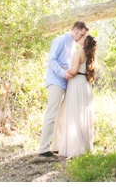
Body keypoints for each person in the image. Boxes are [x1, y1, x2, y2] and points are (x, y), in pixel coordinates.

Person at [37, 21, 88, 157]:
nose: (82, 37)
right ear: (76, 30)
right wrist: (63, 73)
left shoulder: (73, 45)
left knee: (62, 116)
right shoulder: (60, 40)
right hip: (56, 82)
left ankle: (57, 146)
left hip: (67, 85)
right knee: (51, 114)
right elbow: (51, 60)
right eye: (82, 34)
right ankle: (43, 148)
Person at [51, 34, 97, 158]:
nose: (80, 38)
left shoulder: (78, 53)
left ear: (85, 42)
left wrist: (62, 70)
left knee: (73, 113)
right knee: (81, 113)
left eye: (83, 37)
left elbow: (73, 71)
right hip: (85, 85)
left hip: (76, 83)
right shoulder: (90, 55)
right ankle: (84, 145)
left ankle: (73, 146)